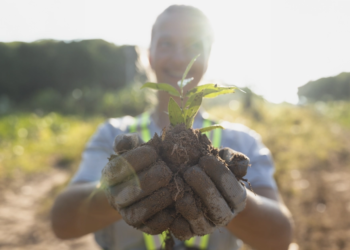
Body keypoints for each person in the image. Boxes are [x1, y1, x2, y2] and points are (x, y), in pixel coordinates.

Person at [51, 5, 293, 250]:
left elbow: (282, 237)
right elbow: (62, 223)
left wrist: (234, 199)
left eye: (194, 46)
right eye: (167, 43)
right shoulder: (114, 134)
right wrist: (114, 193)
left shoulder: (242, 142)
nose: (179, 58)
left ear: (208, 58)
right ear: (150, 55)